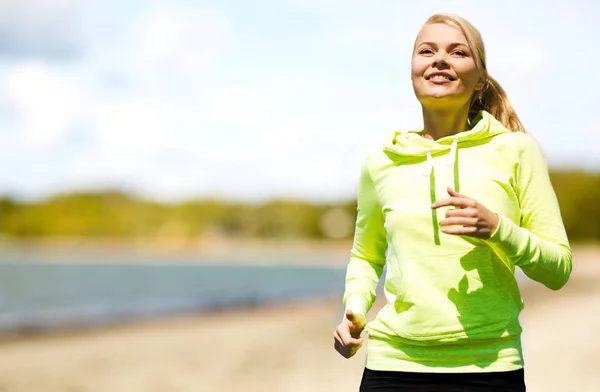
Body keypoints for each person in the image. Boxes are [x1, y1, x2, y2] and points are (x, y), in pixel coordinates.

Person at [333, 13, 572, 392]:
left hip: (491, 368)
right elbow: (366, 256)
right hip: (392, 366)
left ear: (480, 79)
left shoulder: (516, 151)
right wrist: (355, 309)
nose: (439, 59)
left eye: (457, 52)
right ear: (413, 70)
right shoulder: (381, 163)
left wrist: (498, 229)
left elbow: (558, 270)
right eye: (426, 50)